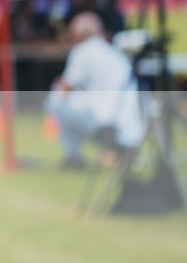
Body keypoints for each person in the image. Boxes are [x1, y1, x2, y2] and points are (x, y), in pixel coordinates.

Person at [45, 11, 145, 168]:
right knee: (70, 101)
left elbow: (65, 87)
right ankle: (114, 148)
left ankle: (77, 155)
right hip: (131, 124)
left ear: (80, 34)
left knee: (55, 102)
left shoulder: (83, 51)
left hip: (107, 121)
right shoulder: (112, 51)